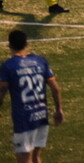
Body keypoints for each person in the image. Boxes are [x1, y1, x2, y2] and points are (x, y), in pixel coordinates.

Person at [0, 29, 64, 163]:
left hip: (23, 119)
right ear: (26, 43)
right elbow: (55, 88)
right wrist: (59, 110)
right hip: (41, 115)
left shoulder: (8, 66)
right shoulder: (40, 61)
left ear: (9, 45)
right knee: (36, 157)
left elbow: (2, 90)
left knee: (24, 160)